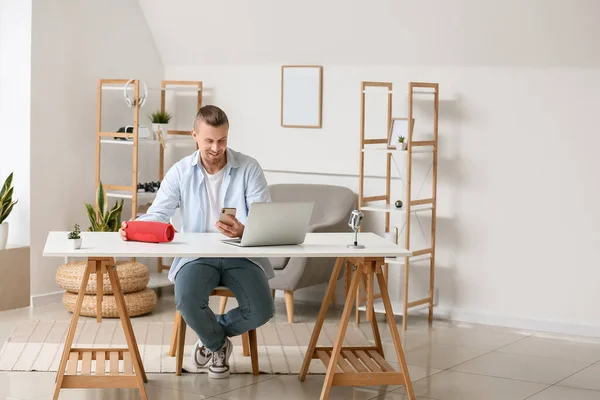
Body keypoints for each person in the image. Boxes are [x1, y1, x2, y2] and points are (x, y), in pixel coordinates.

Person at [119, 105, 275, 379]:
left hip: (240, 253)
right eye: (209, 140)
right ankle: (218, 345)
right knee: (187, 300)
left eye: (222, 140)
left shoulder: (249, 167)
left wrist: (243, 229)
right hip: (196, 256)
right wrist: (135, 227)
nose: (216, 148)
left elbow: (264, 217)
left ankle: (208, 336)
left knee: (262, 310)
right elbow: (158, 214)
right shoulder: (180, 171)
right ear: (195, 135)